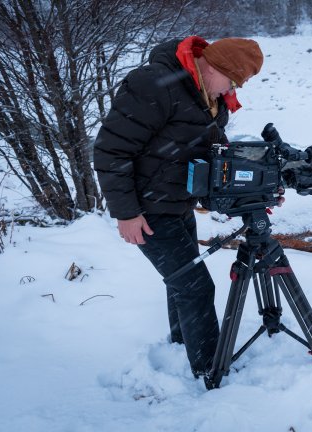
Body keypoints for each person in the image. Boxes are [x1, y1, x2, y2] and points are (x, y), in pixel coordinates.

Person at [93, 36, 264, 384]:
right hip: (148, 209)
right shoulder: (154, 85)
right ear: (213, 68)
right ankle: (209, 370)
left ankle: (181, 343)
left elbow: (213, 153)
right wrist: (126, 213)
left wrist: (249, 190)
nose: (230, 91)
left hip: (177, 204)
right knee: (195, 287)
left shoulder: (209, 97)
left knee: (181, 283)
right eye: (231, 82)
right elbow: (111, 151)